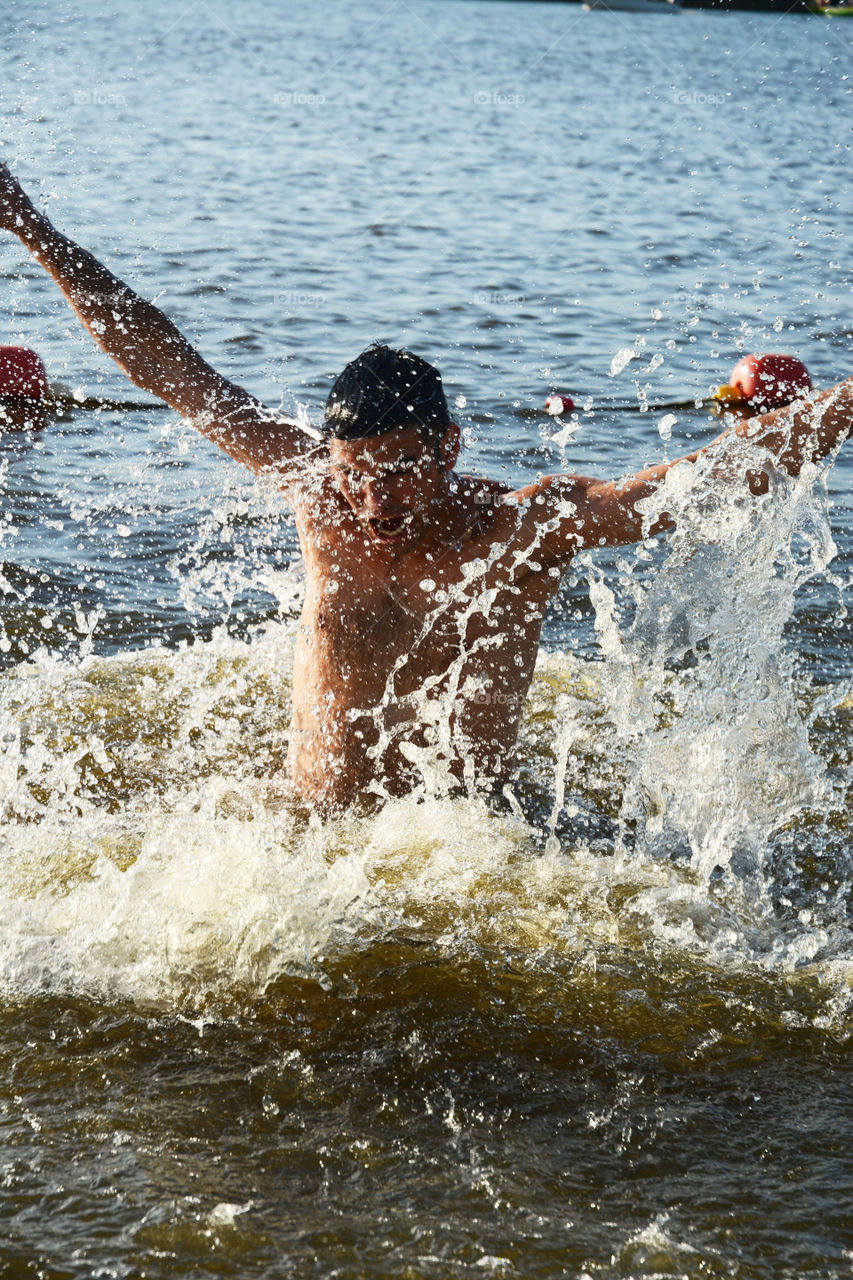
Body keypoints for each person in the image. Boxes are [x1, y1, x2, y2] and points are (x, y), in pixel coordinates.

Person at [1, 163, 851, 812]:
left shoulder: (524, 529)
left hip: (462, 841)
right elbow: (170, 365)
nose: (376, 500)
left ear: (449, 448)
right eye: (356, 474)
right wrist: (29, 225)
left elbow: (686, 486)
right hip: (312, 829)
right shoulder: (314, 493)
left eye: (403, 471)